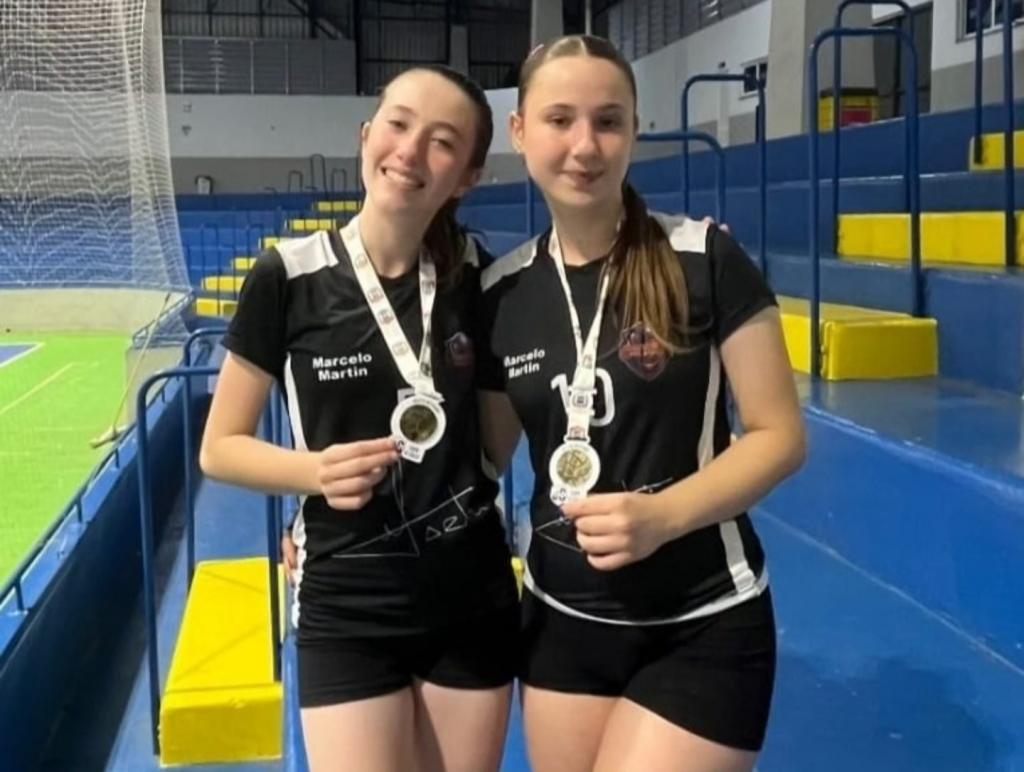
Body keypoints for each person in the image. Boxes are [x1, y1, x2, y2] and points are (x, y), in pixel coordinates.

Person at [477, 35, 807, 772]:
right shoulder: (502, 292)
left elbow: (779, 435)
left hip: (702, 619)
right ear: (520, 131)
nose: (584, 145)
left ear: (634, 130)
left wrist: (664, 517)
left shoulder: (704, 258)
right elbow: (480, 459)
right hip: (561, 621)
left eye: (608, 121)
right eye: (559, 119)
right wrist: (329, 525)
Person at [199, 64, 519, 772]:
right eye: (398, 125)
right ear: (367, 135)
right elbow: (220, 447)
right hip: (346, 601)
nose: (410, 151)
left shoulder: (485, 281)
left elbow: (494, 449)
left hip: (470, 594)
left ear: (467, 177)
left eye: (442, 142)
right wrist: (311, 473)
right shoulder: (287, 276)